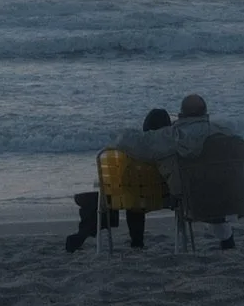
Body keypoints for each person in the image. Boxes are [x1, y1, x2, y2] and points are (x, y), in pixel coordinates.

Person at [107, 94, 242, 250]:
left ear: (180, 115)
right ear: (206, 114)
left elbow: (127, 141)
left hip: (189, 198)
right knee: (211, 181)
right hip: (231, 194)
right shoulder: (228, 133)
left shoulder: (171, 137)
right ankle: (226, 238)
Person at [66, 108, 168, 252]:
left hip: (131, 195)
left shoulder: (130, 143)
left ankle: (87, 223)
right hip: (163, 197)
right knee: (136, 196)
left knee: (129, 196)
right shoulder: (170, 147)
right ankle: (136, 242)